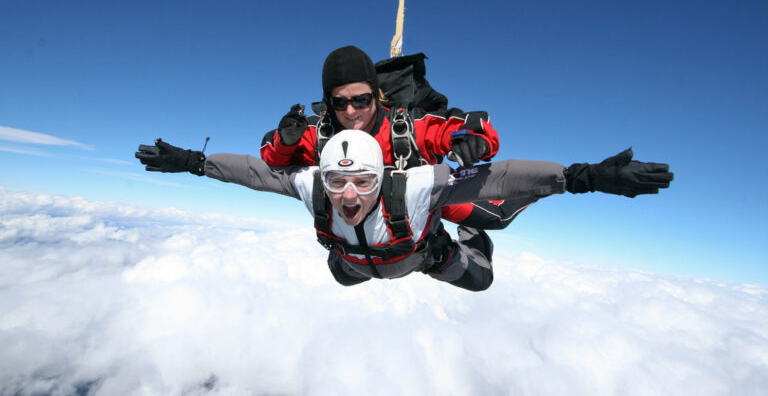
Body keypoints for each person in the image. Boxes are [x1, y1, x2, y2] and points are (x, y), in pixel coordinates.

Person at [135, 130, 673, 291]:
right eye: (337, 180)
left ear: (383, 177)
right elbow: (256, 173)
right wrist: (194, 162)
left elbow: (500, 176)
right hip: (356, 262)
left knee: (480, 281)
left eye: (363, 181)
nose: (347, 195)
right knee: (343, 274)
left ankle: (459, 240)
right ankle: (364, 262)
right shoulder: (313, 188)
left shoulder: (412, 187)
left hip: (417, 255)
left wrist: (583, 178)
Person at [260, 45, 530, 233]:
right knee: (345, 272)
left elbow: (456, 125)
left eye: (361, 100)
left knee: (496, 218)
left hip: (418, 200)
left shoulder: (404, 126)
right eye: (340, 103)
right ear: (329, 102)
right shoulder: (321, 133)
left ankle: (462, 242)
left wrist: (473, 140)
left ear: (376, 96)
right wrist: (286, 140)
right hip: (364, 220)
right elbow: (272, 157)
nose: (351, 112)